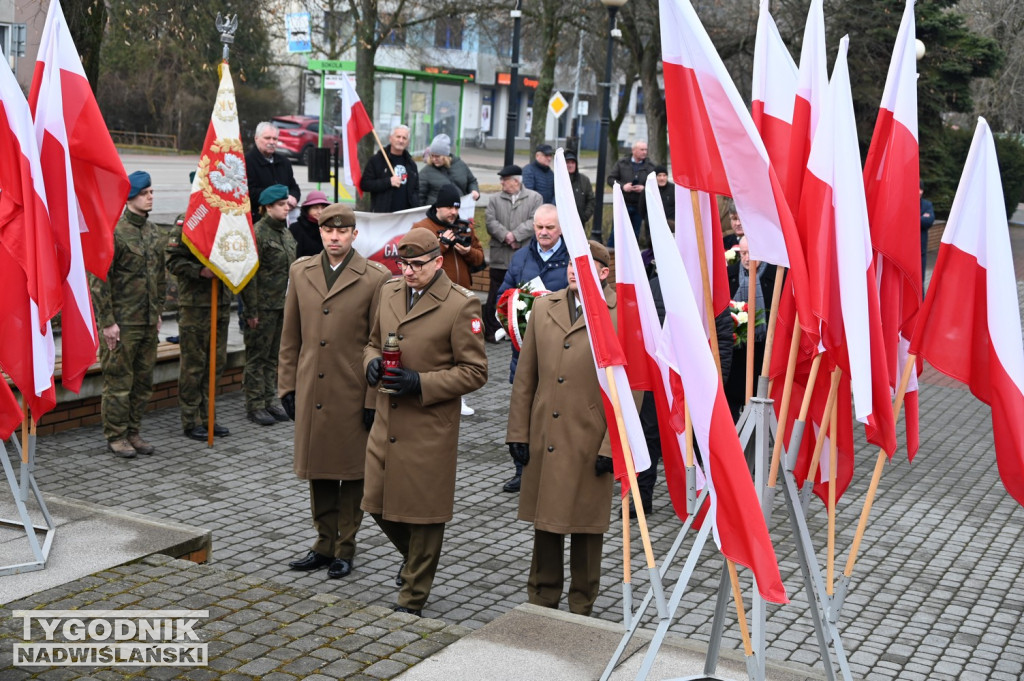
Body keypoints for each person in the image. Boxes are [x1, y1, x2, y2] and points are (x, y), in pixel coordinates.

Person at [362, 227, 488, 616]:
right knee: (375, 502)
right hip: (387, 420)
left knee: (426, 514)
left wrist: (421, 382)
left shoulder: (460, 304)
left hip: (429, 424)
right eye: (403, 264)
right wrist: (370, 363)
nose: (408, 271)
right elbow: (370, 341)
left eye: (417, 265)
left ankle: (413, 596)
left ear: (437, 261)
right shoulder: (388, 290)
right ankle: (415, 559)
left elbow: (475, 372)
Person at [278, 203, 391, 580]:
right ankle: (323, 543)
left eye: (342, 232)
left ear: (354, 235)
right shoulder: (301, 270)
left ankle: (346, 547)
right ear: (321, 233)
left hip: (352, 391)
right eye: (328, 231)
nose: (335, 238)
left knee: (352, 474)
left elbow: (378, 343)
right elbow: (290, 336)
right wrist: (287, 385)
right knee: (319, 471)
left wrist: (373, 399)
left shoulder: (376, 277)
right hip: (312, 389)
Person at [505, 240, 616, 616]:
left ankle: (582, 604)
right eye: (570, 262)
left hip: (590, 437)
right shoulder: (543, 306)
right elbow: (525, 378)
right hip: (546, 434)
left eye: (582, 264)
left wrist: (612, 447)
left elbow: (631, 389)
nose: (571, 269)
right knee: (546, 521)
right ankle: (542, 597)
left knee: (586, 526)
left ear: (603, 272)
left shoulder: (620, 314)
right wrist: (518, 432)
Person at [88, 171, 165, 458]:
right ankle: (116, 435)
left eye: (152, 192)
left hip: (146, 322)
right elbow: (99, 280)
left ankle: (133, 431)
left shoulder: (154, 233)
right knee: (119, 382)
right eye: (145, 193)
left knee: (143, 382)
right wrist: (107, 322)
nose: (150, 197)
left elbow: (159, 278)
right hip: (122, 323)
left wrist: (157, 313)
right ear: (130, 197)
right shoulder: (114, 232)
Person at [495, 204, 570, 493]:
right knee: (522, 413)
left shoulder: (573, 259)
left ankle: (553, 473)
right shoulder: (521, 257)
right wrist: (516, 304)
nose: (543, 233)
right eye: (539, 227)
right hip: (523, 354)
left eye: (549, 227)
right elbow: (503, 296)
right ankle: (521, 471)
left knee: (556, 413)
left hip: (560, 355)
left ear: (560, 228)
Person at [167, 184, 233, 442]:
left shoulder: (227, 221)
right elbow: (172, 260)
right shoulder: (188, 221)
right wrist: (200, 271)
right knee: (194, 364)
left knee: (216, 363)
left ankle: (209, 417)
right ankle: (190, 419)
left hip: (222, 303)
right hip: (195, 305)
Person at [240, 185, 297, 426]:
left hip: (281, 306)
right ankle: (255, 405)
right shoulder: (258, 234)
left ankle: (268, 400)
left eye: (287, 204)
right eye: (282, 204)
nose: (287, 207)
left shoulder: (285, 233)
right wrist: (251, 311)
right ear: (268, 207)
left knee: (274, 356)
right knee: (257, 357)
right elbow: (249, 276)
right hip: (262, 308)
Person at [483, 165, 543, 343]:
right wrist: (507, 236)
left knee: (520, 293)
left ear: (516, 181)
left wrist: (516, 235)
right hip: (500, 256)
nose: (501, 183)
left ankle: (515, 329)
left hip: (523, 255)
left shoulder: (534, 198)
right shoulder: (494, 199)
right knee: (495, 293)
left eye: (505, 179)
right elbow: (490, 221)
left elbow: (534, 220)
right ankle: (491, 331)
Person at [724, 236, 775, 421]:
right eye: (743, 253)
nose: (746, 258)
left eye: (751, 253)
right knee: (733, 397)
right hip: (735, 352)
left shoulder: (775, 277)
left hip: (762, 350)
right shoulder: (729, 274)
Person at [411, 184, 484, 290]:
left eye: (456, 207)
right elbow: (415, 259)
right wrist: (441, 245)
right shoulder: (421, 228)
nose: (454, 212)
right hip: (436, 293)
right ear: (438, 207)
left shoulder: (464, 227)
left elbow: (479, 259)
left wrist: (468, 252)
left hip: (463, 293)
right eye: (449, 207)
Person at [245, 121, 301, 224]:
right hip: (258, 220)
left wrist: (293, 197)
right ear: (256, 138)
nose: (272, 142)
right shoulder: (246, 162)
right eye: (267, 138)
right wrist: (281, 197)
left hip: (283, 222)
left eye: (275, 139)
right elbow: (249, 193)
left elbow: (294, 187)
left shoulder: (284, 162)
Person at [360, 125, 421, 213]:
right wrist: (388, 182)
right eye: (398, 137)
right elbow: (365, 184)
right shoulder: (377, 160)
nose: (401, 140)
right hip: (383, 215)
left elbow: (416, 190)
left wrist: (415, 205)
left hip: (406, 216)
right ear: (391, 138)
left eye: (404, 138)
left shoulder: (411, 164)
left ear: (408, 142)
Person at [607, 140, 655, 245]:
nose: (645, 152)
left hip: (639, 205)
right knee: (616, 232)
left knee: (634, 234)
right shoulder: (622, 163)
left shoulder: (650, 166)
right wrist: (623, 186)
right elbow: (610, 179)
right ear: (634, 150)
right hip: (623, 203)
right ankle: (611, 257)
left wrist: (644, 188)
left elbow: (655, 185)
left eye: (646, 149)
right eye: (642, 150)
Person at [418, 134, 480, 206]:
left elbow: (471, 181)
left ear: (446, 155)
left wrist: (474, 190)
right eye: (432, 155)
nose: (434, 159)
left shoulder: (460, 165)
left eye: (437, 156)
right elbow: (420, 197)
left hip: (460, 211)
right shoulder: (425, 172)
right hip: (437, 214)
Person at [290, 190, 331, 258]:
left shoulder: (330, 228)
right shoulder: (296, 228)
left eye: (323, 208)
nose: (320, 212)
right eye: (315, 208)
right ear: (307, 210)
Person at [641, 165, 675, 237]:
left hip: (672, 227)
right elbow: (642, 208)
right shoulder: (648, 190)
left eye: (664, 175)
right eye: (659, 176)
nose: (662, 178)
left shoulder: (673, 189)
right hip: (653, 227)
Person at [564, 150, 594, 228]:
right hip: (561, 222)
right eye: (568, 162)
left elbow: (591, 199)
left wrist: (585, 216)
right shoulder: (558, 179)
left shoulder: (584, 180)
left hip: (579, 222)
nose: (570, 165)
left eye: (573, 163)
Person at [920, 186, 934, 287]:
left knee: (920, 281)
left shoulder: (927, 205)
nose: (918, 191)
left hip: (921, 251)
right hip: (906, 250)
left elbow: (929, 221)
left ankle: (921, 303)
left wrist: (911, 217)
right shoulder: (905, 202)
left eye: (920, 189)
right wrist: (921, 217)